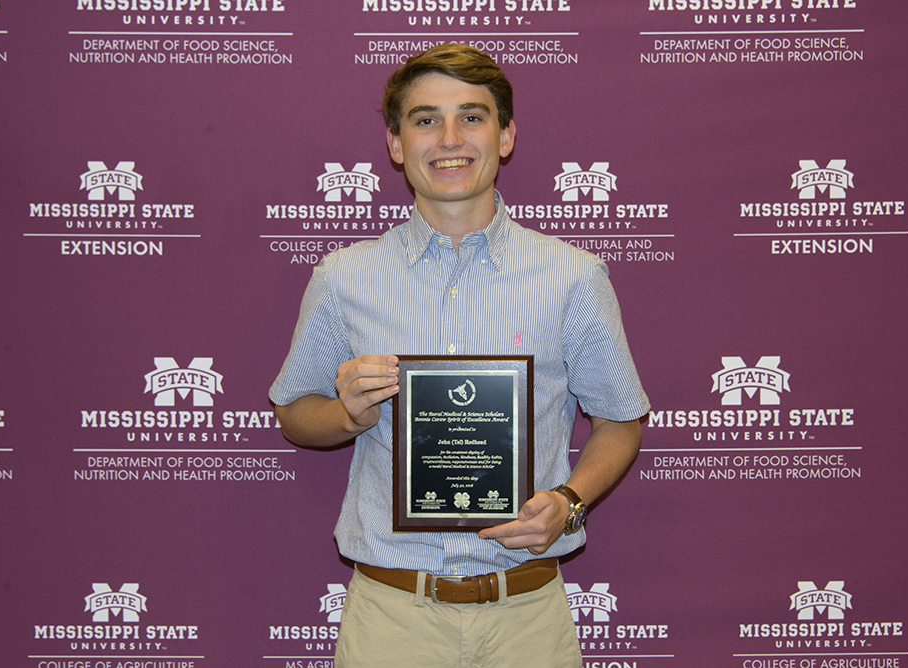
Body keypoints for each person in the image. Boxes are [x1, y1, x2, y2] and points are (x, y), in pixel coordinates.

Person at [270, 43, 649, 668]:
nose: (450, 138)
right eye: (425, 119)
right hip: (392, 619)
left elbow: (619, 422)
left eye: (472, 116)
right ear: (396, 143)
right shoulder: (345, 278)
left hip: (527, 618)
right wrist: (347, 415)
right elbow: (293, 413)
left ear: (505, 136)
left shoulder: (573, 278)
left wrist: (570, 501)